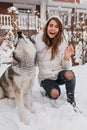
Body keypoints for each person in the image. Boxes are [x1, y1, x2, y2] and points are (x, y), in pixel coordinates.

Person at [35, 16, 76, 107]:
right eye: (51, 25)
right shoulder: (38, 44)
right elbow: (31, 61)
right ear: (47, 27)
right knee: (55, 94)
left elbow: (67, 68)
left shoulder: (62, 44)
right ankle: (50, 90)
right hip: (46, 78)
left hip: (59, 75)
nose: (53, 28)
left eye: (57, 27)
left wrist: (66, 56)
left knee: (70, 74)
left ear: (59, 30)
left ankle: (71, 99)